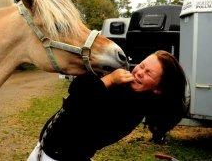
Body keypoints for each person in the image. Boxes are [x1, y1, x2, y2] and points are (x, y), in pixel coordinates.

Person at [27, 50, 187, 161]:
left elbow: (76, 102)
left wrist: (109, 80)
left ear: (158, 89)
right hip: (44, 149)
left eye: (149, 73)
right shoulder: (126, 87)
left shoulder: (132, 110)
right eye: (142, 65)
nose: (139, 72)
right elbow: (76, 86)